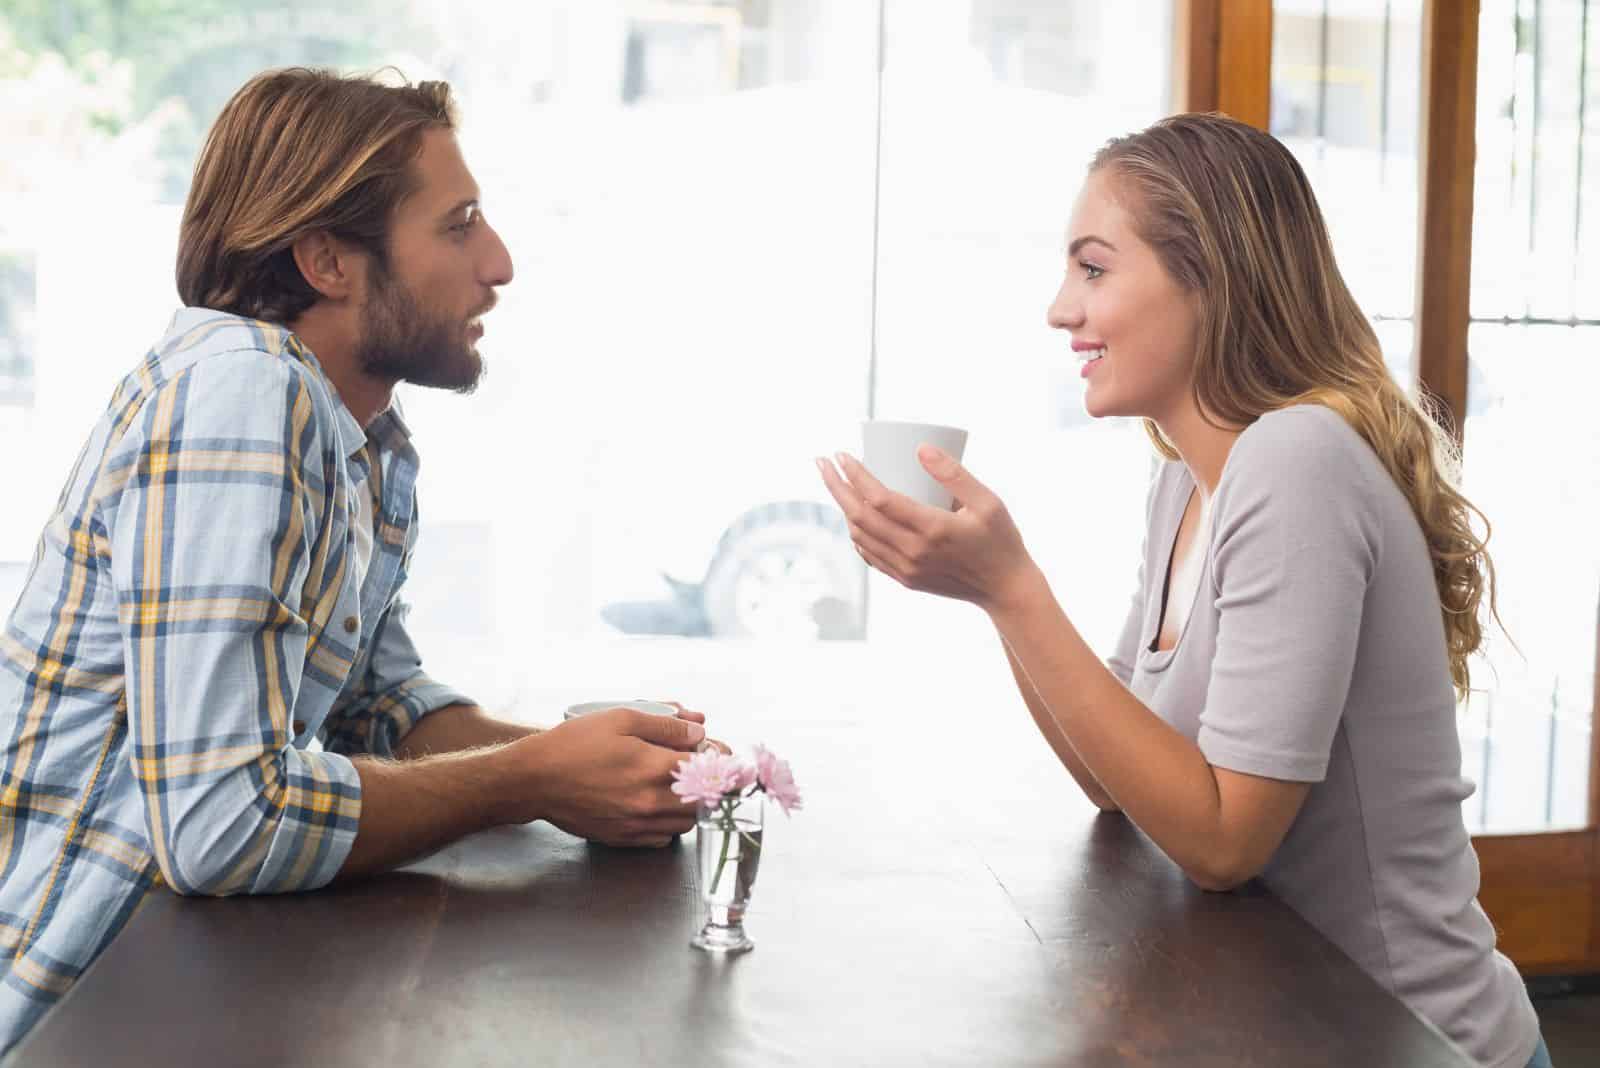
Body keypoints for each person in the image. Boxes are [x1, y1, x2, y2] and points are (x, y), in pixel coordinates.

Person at [0, 68, 714, 1052]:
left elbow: (372, 704)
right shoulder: (242, 394)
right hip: (73, 1017)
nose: (499, 264)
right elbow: (222, 825)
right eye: (458, 224)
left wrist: (590, 768)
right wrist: (532, 779)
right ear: (329, 262)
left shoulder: (359, 440)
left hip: (188, 989)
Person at [817, 113, 1549, 1068]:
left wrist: (1013, 589)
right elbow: (1111, 779)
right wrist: (987, 590)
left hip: (1407, 1040)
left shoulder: (1299, 462)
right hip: (1282, 1021)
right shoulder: (1187, 480)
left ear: (1211, 277)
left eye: (1092, 269)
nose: (1059, 311)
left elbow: (1221, 842)